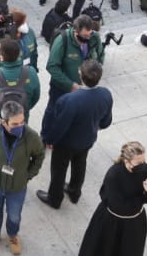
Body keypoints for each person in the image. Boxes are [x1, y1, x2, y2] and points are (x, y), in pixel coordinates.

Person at [78, 141, 147, 256]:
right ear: (126, 161)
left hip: (134, 222)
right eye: (138, 163)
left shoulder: (145, 169)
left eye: (144, 161)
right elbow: (119, 205)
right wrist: (143, 197)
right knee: (102, 248)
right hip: (111, 220)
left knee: (130, 252)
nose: (143, 165)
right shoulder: (114, 175)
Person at [36, 59, 113, 209]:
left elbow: (59, 126)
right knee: (80, 164)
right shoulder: (106, 94)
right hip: (87, 140)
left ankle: (55, 198)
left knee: (59, 170)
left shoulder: (68, 100)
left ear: (80, 75)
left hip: (66, 144)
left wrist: (49, 139)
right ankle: (74, 191)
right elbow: (106, 121)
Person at [0, 99, 45, 256]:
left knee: (14, 215)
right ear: (4, 122)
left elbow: (40, 155)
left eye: (22, 122)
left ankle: (13, 236)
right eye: (15, 124)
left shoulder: (31, 137)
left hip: (17, 187)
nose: (20, 127)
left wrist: (29, 174)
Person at [45, 16, 106, 103]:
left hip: (84, 87)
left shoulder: (94, 37)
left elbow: (101, 54)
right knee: (54, 113)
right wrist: (71, 85)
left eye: (90, 34)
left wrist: (97, 67)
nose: (88, 38)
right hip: (62, 89)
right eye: (85, 36)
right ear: (75, 32)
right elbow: (51, 66)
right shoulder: (62, 41)